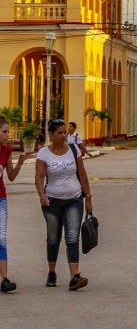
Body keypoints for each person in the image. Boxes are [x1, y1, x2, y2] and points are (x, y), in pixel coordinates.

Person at [35, 118, 93, 291]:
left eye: (65, 132)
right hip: (51, 201)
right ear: (51, 135)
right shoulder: (44, 153)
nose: (63, 135)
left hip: (74, 199)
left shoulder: (74, 149)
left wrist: (88, 197)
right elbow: (39, 177)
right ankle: (52, 272)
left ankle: (74, 276)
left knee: (72, 237)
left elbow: (82, 174)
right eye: (59, 133)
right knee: (53, 239)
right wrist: (41, 195)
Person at [0, 115, 34, 293]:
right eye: (5, 131)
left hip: (1, 200)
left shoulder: (6, 151)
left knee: (1, 239)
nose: (8, 135)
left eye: (8, 132)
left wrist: (20, 162)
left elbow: (11, 177)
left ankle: (4, 279)